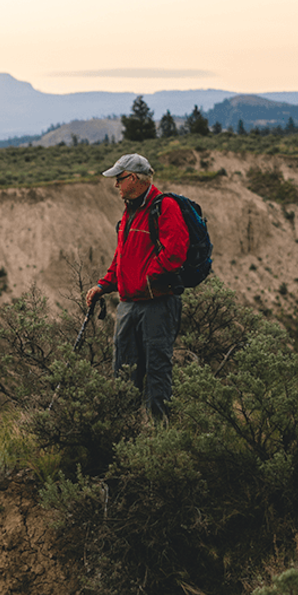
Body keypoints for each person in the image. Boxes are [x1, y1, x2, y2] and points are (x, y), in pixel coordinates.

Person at [84, 153, 188, 420]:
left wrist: (147, 278)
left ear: (134, 178)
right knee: (124, 371)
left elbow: (175, 252)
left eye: (119, 179)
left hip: (158, 304)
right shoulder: (130, 210)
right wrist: (103, 285)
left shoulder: (165, 207)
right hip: (129, 304)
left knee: (156, 372)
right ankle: (126, 435)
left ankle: (161, 438)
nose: (116, 185)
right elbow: (122, 258)